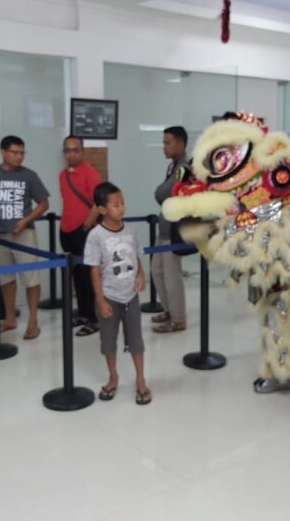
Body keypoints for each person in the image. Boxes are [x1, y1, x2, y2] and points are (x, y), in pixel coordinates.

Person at [84, 182, 151, 405]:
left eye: (122, 203)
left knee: (136, 340)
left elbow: (136, 257)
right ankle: (113, 377)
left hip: (130, 296)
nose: (121, 208)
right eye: (115, 204)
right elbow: (93, 271)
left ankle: (141, 379)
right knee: (108, 341)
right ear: (102, 209)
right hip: (109, 297)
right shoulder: (95, 235)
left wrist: (141, 275)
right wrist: (100, 300)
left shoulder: (131, 230)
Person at [0, 136, 50, 340]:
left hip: (24, 234)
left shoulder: (30, 176)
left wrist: (25, 220)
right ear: (3, 152)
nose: (19, 156)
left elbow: (44, 204)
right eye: (14, 152)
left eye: (22, 153)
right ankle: (9, 318)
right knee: (6, 279)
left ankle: (33, 321)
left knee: (30, 278)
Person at [58, 135, 100, 337]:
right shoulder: (62, 175)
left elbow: (98, 203)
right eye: (68, 150)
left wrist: (85, 226)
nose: (71, 153)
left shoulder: (90, 173)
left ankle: (94, 319)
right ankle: (83, 314)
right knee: (76, 275)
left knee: (87, 275)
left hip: (83, 231)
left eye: (76, 150)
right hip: (65, 231)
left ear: (82, 152)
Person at [151, 126, 188, 334]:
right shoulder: (173, 165)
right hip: (164, 228)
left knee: (172, 276)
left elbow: (163, 193)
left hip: (174, 229)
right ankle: (169, 310)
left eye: (167, 143)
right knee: (157, 272)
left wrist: (159, 191)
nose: (164, 147)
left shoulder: (184, 167)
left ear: (180, 144)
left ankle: (178, 319)